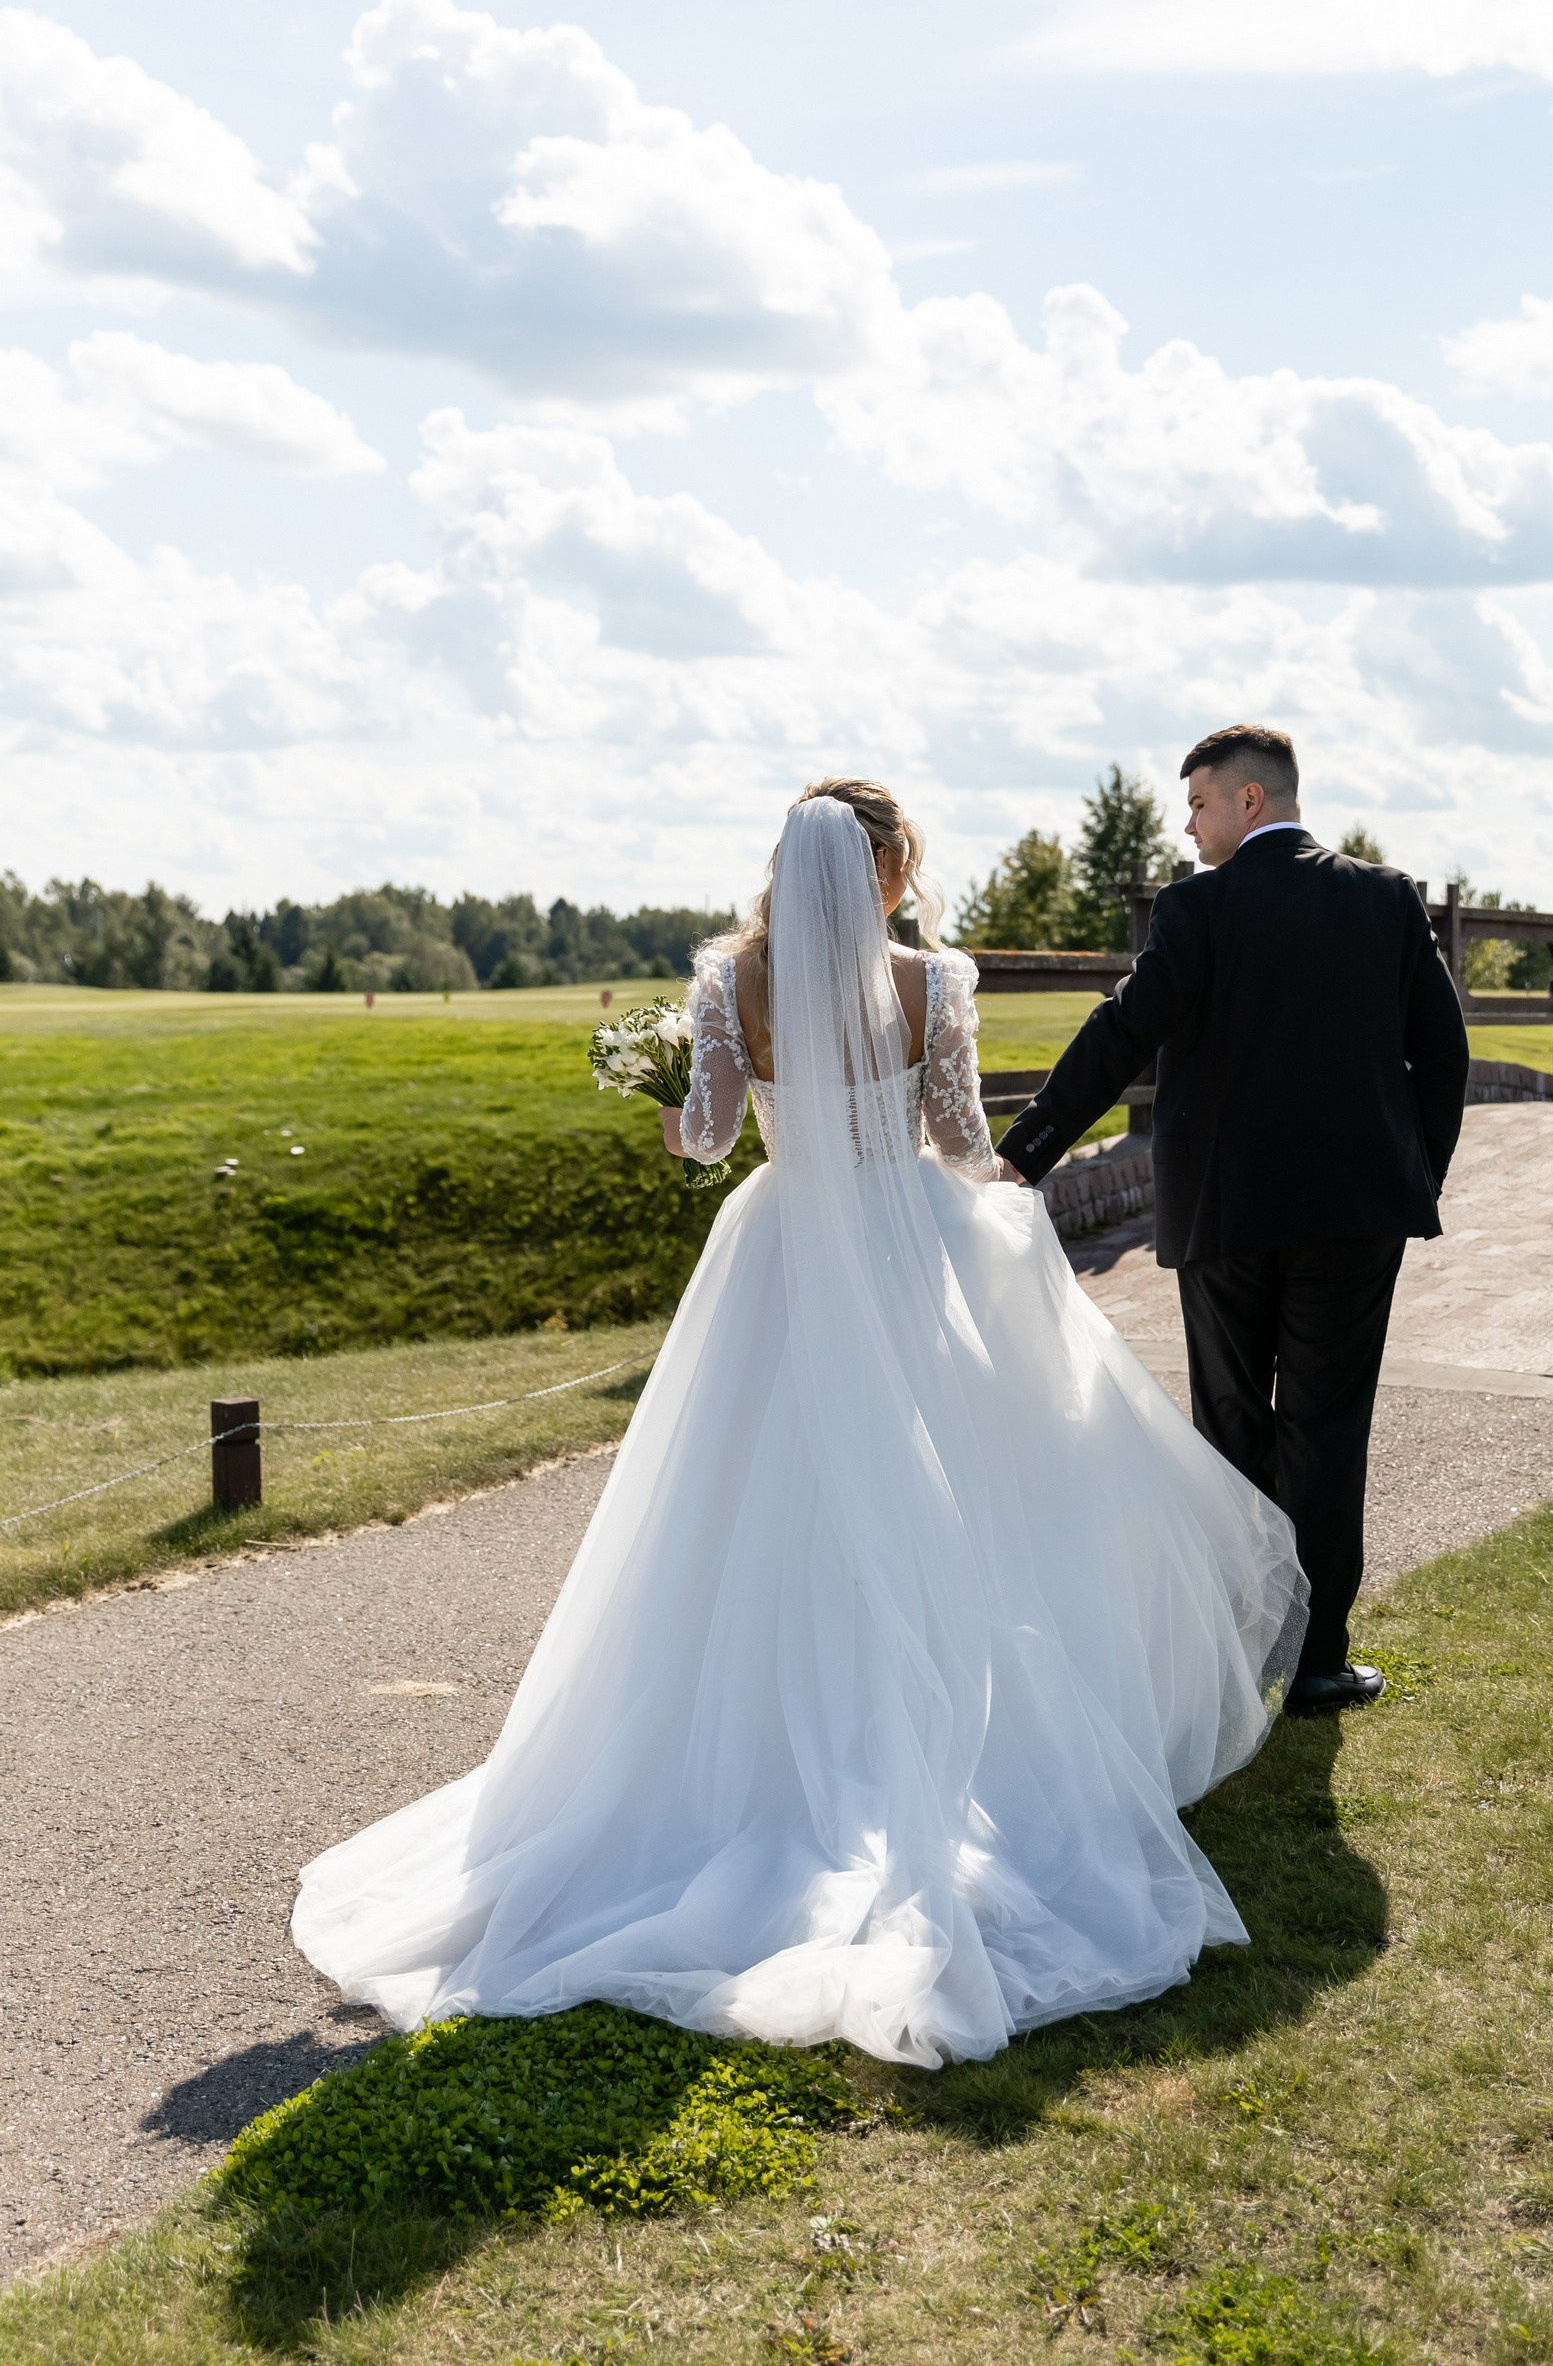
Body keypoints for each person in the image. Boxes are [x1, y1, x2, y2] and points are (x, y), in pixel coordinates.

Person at [292, 779, 1305, 2071]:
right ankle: (959, 1751)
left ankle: (749, 1762)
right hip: (906, 1252)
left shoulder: (734, 984)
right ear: (887, 867)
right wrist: (969, 1182)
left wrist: (670, 1106)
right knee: (950, 1504)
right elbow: (960, 1142)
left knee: (749, 1514)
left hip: (779, 1254)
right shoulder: (932, 982)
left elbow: (710, 1140)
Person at [997, 727, 1468, 1719]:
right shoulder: (1384, 898)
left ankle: (1243, 1644)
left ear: (1249, 801)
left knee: (1229, 1427)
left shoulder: (1197, 908)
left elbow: (1122, 1031)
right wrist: (1413, 1173)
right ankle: (1318, 1663)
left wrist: (1025, 1150)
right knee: (1327, 1430)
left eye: (1198, 805)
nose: (1189, 827)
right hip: (1356, 1216)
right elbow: (1443, 1051)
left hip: (1225, 1212)